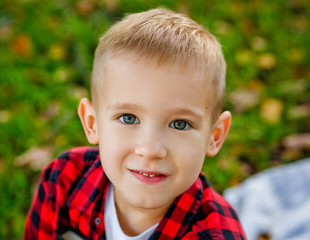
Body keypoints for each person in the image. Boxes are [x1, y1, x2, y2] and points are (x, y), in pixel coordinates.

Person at [24, 8, 246, 240]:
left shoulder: (216, 235)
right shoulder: (63, 181)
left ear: (215, 135)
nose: (150, 150)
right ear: (92, 123)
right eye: (128, 118)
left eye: (180, 124)